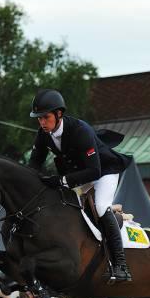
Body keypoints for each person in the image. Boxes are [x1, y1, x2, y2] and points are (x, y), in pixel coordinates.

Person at [27, 88, 133, 282]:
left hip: (104, 171)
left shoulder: (80, 130)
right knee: (62, 203)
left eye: (45, 117)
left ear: (59, 114)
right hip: (80, 175)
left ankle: (121, 265)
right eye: (39, 118)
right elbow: (34, 164)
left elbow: (94, 171)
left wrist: (61, 181)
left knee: (101, 207)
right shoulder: (44, 134)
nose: (42, 122)